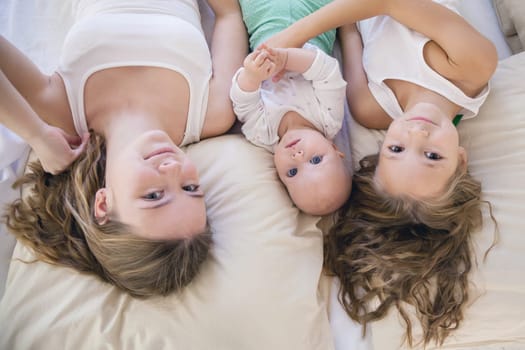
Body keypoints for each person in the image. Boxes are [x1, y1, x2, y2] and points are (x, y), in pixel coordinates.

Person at [263, 0, 498, 346]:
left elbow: (349, 29)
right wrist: (293, 36)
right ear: (460, 160)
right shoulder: (472, 67)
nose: (416, 135)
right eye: (432, 156)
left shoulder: (371, 109)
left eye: (396, 150)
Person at [0, 0, 247, 298]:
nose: (171, 170)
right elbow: (228, 14)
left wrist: (36, 134)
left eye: (154, 196)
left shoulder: (65, 112)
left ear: (103, 204)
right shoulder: (211, 114)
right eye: (191, 187)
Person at [230, 0, 351, 216]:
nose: (297, 156)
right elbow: (327, 72)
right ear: (334, 149)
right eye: (315, 160)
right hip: (312, 15)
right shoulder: (328, 119)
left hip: (263, 19)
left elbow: (242, 102)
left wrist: (251, 76)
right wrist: (286, 58)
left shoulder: (262, 134)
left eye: (292, 172)